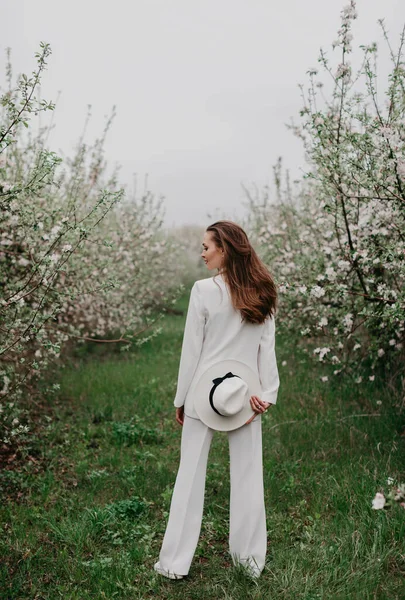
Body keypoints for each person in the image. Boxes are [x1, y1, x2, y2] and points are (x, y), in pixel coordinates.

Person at [154, 220, 280, 580]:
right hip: (247, 393)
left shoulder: (203, 290)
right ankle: (250, 561)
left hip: (204, 392)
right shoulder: (264, 288)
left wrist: (181, 398)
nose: (202, 252)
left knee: (189, 476)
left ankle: (174, 563)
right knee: (248, 475)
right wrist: (266, 394)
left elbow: (191, 351)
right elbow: (265, 348)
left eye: (207, 246)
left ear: (225, 248)